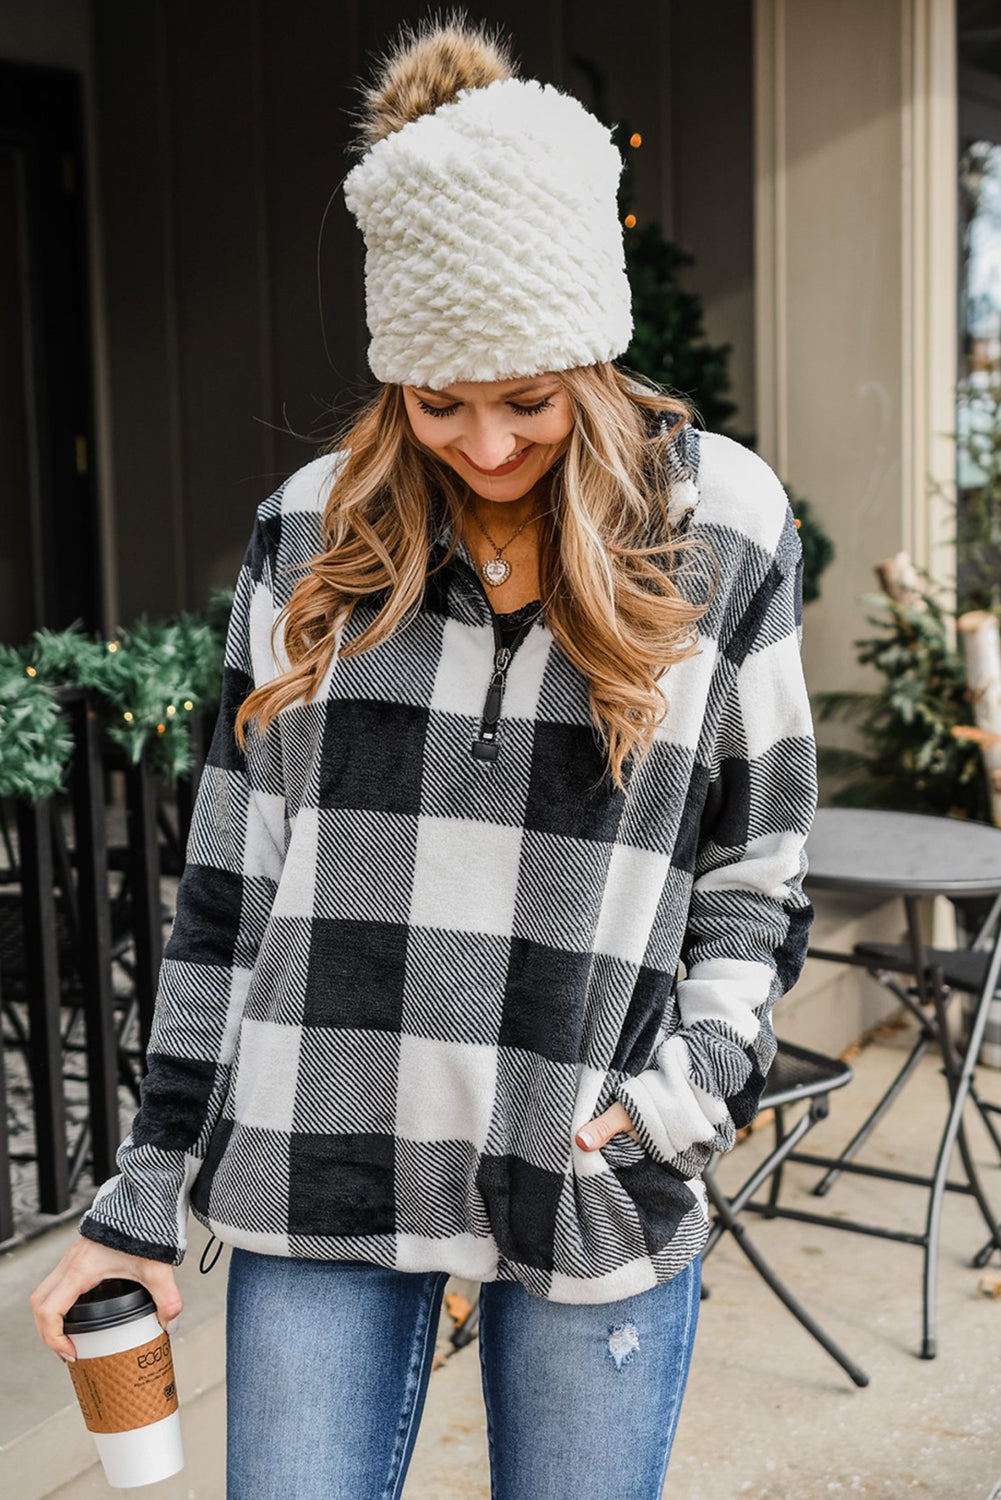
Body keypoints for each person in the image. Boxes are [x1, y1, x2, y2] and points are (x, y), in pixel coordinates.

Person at [30, 11, 819, 1497]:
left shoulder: (724, 531)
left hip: (584, 1166)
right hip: (318, 1154)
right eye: (436, 402)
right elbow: (226, 890)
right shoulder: (312, 531)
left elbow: (757, 874)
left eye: (526, 399)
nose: (486, 445)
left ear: (590, 355)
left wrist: (674, 1095)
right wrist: (141, 1190)